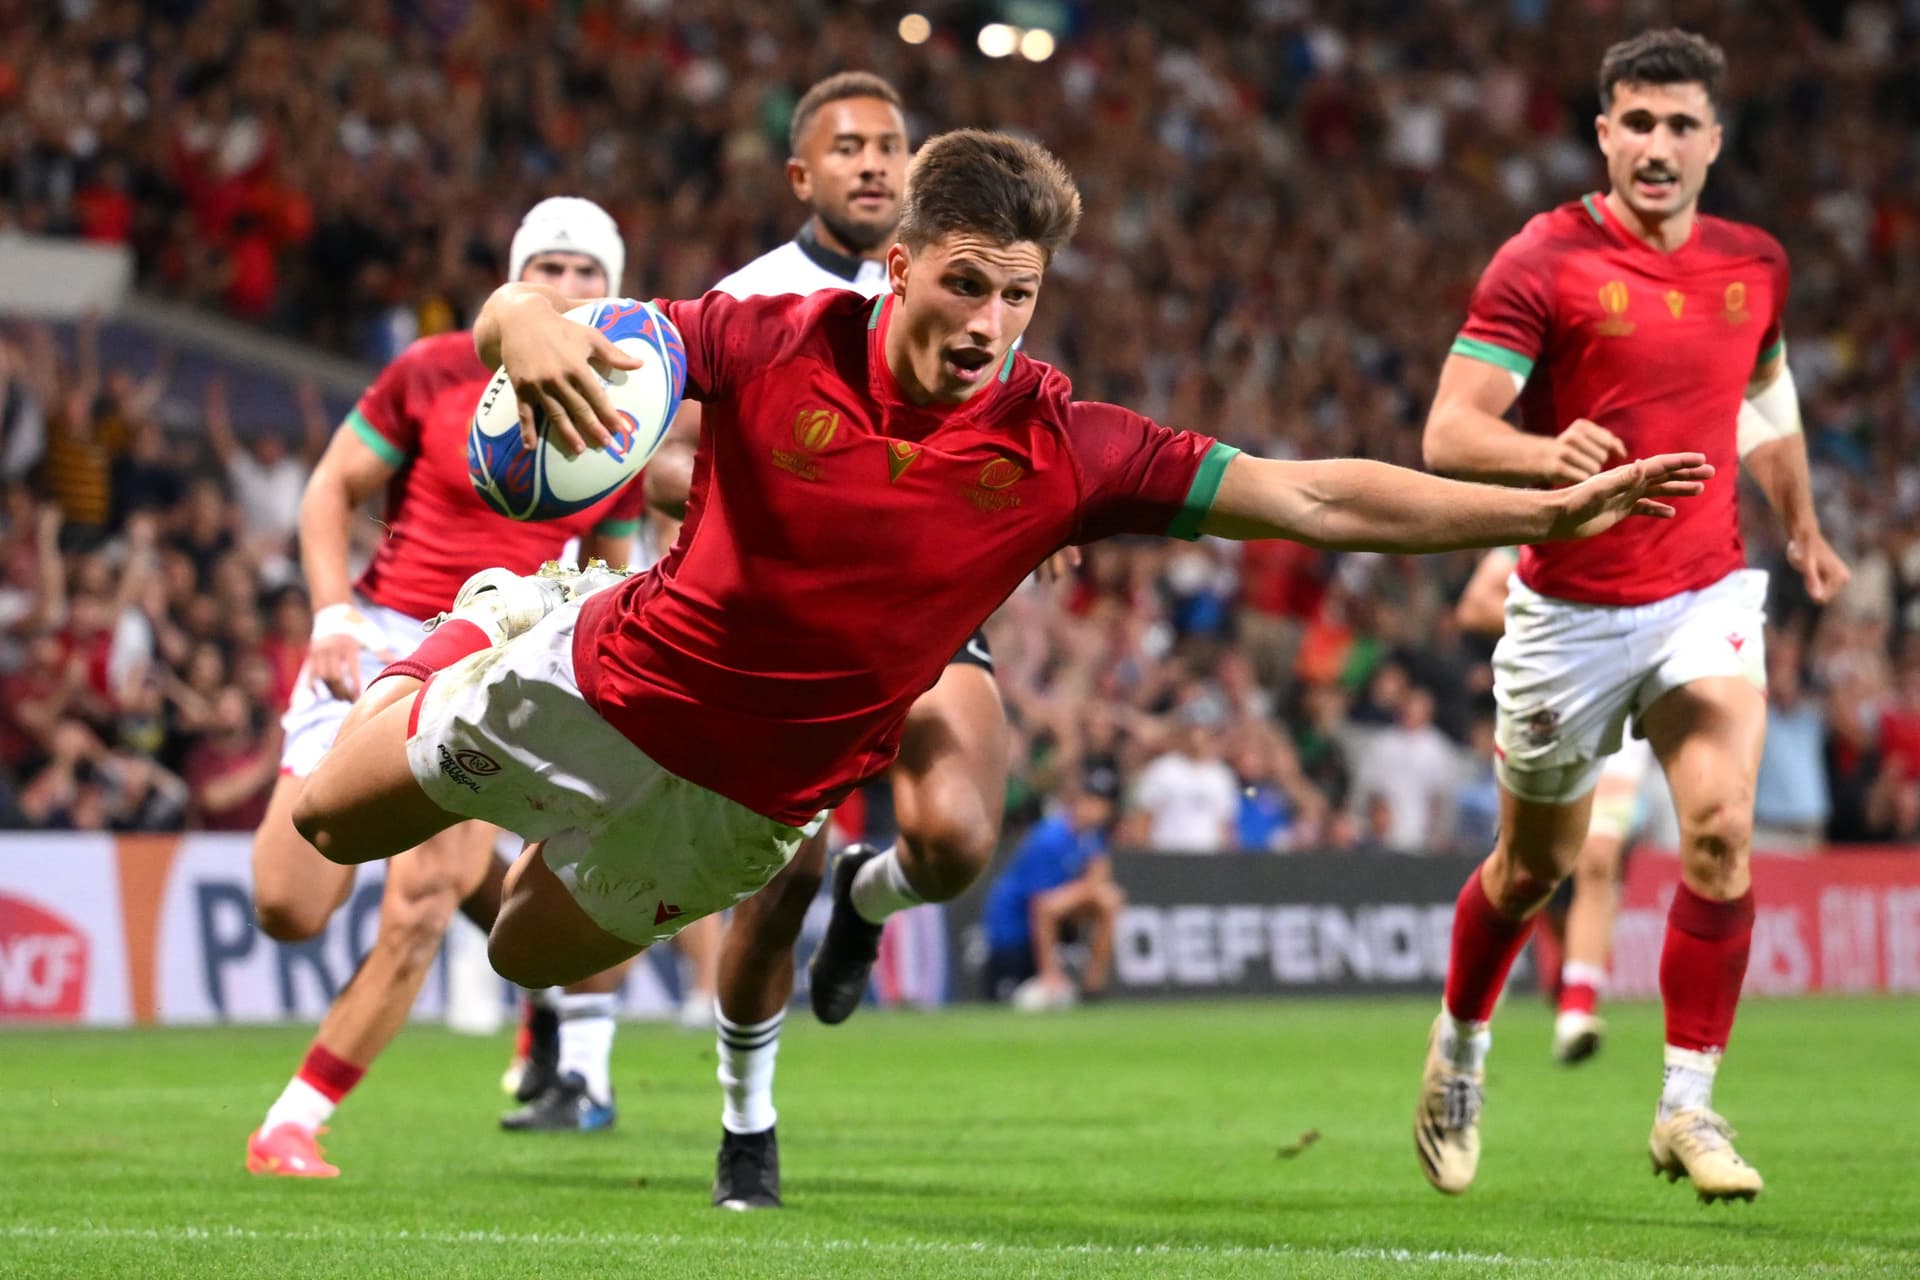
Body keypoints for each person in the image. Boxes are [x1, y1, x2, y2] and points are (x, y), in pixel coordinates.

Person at [287, 126, 1711, 1199]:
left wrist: (1539, 509)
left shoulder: (1065, 448)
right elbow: (573, 334)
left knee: (531, 949)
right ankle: (485, 624)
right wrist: (516, 318)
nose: (986, 324)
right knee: (328, 822)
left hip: (747, 808)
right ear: (899, 262)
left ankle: (558, 792)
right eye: (962, 284)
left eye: (1016, 296)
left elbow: (1318, 498)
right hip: (603, 686)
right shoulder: (769, 338)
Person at [519, 72, 1032, 1206]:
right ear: (802, 174)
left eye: (890, 144)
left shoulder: (969, 284)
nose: (873, 163)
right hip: (780, 627)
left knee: (952, 841)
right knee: (777, 882)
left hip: (925, 614)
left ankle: (874, 898)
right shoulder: (752, 300)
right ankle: (746, 1123)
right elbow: (648, 453)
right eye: (846, 147)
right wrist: (749, 495)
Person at [1412, 30, 1848, 1203]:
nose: (1657, 147)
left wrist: (1800, 521)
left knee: (1720, 831)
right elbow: (1450, 432)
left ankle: (1687, 1106)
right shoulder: (1541, 259)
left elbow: (1763, 392)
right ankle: (1460, 1044)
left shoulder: (1756, 262)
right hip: (1568, 609)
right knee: (1530, 869)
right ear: (1605, 133)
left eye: (1680, 125)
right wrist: (1546, 455)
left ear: (1715, 139)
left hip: (1705, 591)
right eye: (1636, 123)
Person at [243, 197, 645, 1179]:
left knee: (419, 893)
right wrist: (332, 614)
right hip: (373, 635)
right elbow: (331, 488)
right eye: (547, 267)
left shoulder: (621, 422)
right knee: (288, 903)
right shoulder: (431, 371)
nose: (566, 288)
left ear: (613, 289)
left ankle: (293, 1120)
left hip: (487, 651)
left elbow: (609, 574)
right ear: (516, 278)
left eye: (587, 272)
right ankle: (544, 981)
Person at [1456, 546, 1661, 1064]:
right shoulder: (1544, 521)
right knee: (1531, 863)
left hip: (1621, 703)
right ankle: (1512, 981)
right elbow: (1474, 605)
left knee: (1598, 858)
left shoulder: (1643, 517)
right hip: (1550, 701)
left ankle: (1578, 1005)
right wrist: (1565, 623)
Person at [982, 760, 1124, 1009]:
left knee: (1110, 899)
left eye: (1103, 802)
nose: (1096, 808)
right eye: (1091, 799)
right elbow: (1040, 906)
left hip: (1050, 926)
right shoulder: (1050, 838)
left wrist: (1093, 885)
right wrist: (1050, 973)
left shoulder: (1092, 837)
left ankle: (1093, 989)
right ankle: (1049, 976)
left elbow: (1099, 879)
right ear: (1078, 800)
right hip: (1013, 935)